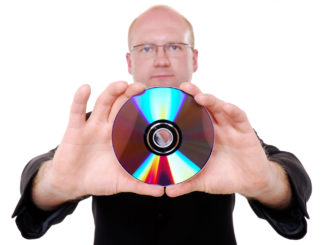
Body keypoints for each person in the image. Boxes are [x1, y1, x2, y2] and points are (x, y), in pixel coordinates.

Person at [12, 5, 311, 245]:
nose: (161, 60)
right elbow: (37, 182)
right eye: (146, 48)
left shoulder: (220, 125)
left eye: (174, 47)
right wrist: (52, 185)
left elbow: (290, 175)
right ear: (129, 62)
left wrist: (269, 183)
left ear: (194, 58)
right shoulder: (102, 127)